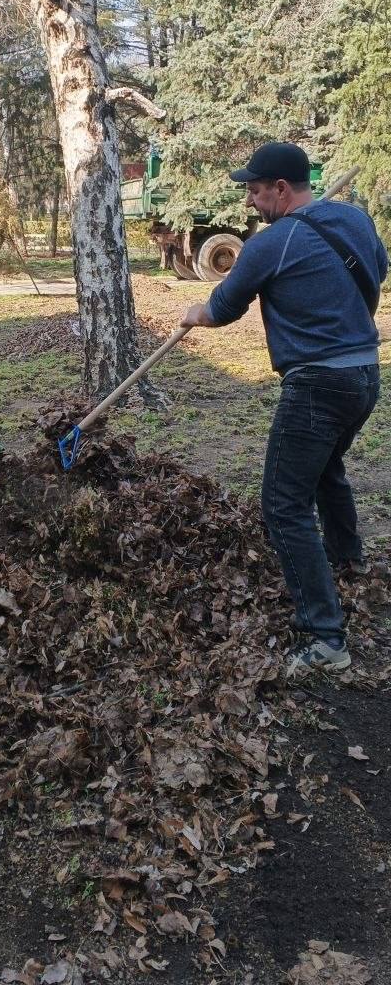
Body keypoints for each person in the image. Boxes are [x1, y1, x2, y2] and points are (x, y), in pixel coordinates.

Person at [181, 142, 388, 677]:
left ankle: (326, 639)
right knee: (326, 470)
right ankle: (349, 561)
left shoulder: (272, 244)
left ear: (280, 189)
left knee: (283, 504)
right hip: (364, 375)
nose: (250, 200)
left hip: (318, 384)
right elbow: (379, 271)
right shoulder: (355, 220)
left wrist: (192, 312)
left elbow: (223, 309)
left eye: (255, 190)